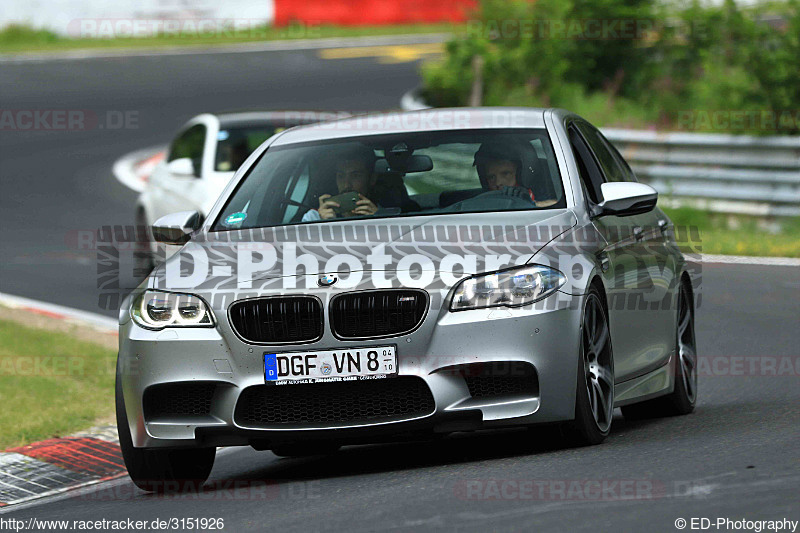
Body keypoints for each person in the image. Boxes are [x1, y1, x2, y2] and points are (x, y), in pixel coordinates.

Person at [302, 146, 380, 222]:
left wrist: (378, 218)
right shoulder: (314, 217)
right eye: (341, 176)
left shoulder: (385, 215)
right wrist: (323, 223)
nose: (346, 185)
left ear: (372, 179)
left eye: (355, 176)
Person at [473, 142, 558, 207]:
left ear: (521, 173)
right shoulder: (480, 204)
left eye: (506, 173)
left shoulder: (545, 193)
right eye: (491, 177)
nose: (498, 183)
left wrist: (533, 204)